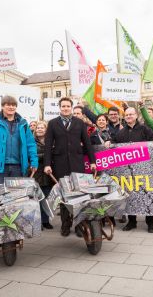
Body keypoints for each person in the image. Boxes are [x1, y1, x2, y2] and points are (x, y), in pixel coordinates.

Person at [44, 97, 97, 236]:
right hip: (60, 164)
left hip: (77, 163)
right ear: (60, 108)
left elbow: (87, 143)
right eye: (63, 106)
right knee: (64, 196)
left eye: (68, 106)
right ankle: (65, 224)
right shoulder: (53, 123)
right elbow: (48, 145)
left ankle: (80, 225)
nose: (66, 108)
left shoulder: (79, 123)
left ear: (71, 108)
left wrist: (92, 161)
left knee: (79, 195)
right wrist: (47, 164)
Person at [105, 107, 153, 233]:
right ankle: (132, 222)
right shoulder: (121, 132)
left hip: (144, 169)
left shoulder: (144, 129)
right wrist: (109, 142)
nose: (129, 116)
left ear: (136, 115)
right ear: (124, 117)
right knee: (129, 195)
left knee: (146, 194)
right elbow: (114, 142)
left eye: (131, 114)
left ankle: (150, 222)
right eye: (127, 115)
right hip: (128, 171)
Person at [0, 95, 38, 185]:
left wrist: (34, 162)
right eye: (8, 105)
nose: (11, 107)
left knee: (17, 197)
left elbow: (31, 144)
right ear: (2, 106)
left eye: (13, 105)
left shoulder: (23, 123)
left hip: (19, 167)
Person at [33, 121, 54, 230]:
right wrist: (47, 155)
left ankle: (45, 220)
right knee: (37, 198)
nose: (40, 129)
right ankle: (38, 222)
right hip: (36, 173)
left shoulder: (51, 141)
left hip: (48, 174)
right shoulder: (31, 142)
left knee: (46, 198)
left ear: (46, 130)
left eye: (42, 128)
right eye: (38, 128)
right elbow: (32, 156)